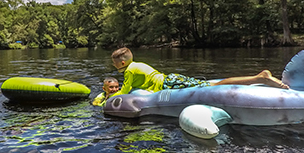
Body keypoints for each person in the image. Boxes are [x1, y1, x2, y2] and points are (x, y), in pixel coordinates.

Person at [110, 47, 289, 97]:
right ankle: (257, 79)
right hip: (171, 79)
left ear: (123, 62)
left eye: (115, 63)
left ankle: (260, 77)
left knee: (215, 86)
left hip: (168, 84)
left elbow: (125, 91)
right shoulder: (139, 64)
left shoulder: (129, 71)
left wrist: (108, 98)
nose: (114, 66)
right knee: (210, 84)